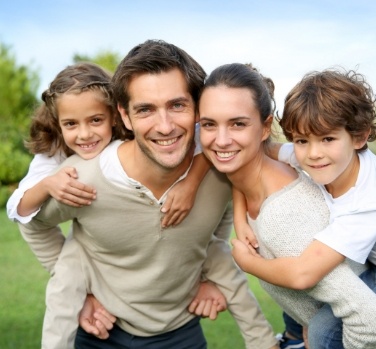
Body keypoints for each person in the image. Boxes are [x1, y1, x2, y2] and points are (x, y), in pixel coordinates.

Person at [18, 40, 278, 349]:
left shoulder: (221, 169)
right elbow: (32, 223)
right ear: (124, 117)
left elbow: (217, 220)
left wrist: (209, 278)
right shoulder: (82, 178)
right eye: (145, 110)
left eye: (177, 105)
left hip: (180, 332)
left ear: (198, 108)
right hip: (100, 331)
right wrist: (80, 289)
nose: (165, 126)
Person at [8, 61, 219, 348]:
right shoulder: (54, 154)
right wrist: (47, 185)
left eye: (96, 120)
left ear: (116, 115)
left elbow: (205, 141)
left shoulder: (140, 139)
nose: (84, 135)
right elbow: (19, 210)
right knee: (63, 295)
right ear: (58, 123)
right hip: (88, 269)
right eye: (71, 123)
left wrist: (191, 182)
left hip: (173, 319)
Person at [198, 62, 376, 349]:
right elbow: (238, 167)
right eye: (208, 124)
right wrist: (241, 218)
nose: (220, 139)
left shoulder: (286, 213)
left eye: (238, 123)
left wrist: (250, 264)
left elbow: (374, 321)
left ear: (265, 127)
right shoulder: (289, 159)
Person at [272, 68, 376, 348]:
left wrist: (248, 262)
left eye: (327, 138)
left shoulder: (368, 199)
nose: (313, 153)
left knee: (325, 331)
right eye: (301, 140)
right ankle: (292, 339)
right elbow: (267, 150)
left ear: (359, 137)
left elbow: (304, 274)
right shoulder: (322, 157)